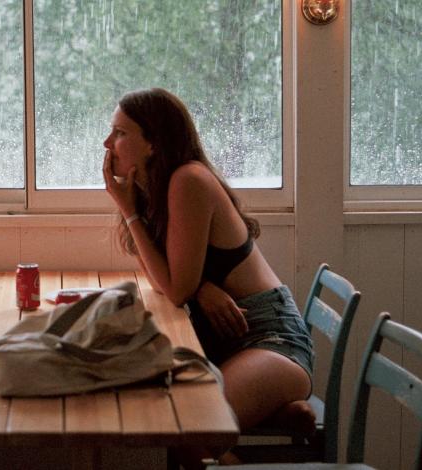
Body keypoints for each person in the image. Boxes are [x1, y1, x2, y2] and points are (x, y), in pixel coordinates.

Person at [101, 88, 315, 465]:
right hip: (226, 346)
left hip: (270, 340)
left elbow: (175, 288)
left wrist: (127, 209)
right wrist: (200, 289)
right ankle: (273, 409)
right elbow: (164, 283)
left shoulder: (188, 180)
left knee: (188, 434)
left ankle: (265, 402)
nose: (107, 143)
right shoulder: (160, 190)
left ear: (153, 143)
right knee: (163, 406)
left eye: (120, 133)